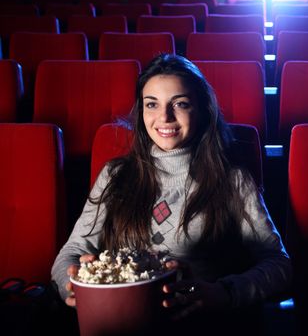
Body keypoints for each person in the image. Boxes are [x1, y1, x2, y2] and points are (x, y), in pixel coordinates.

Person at [51, 53, 292, 334]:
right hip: (122, 323)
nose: (164, 117)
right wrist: (73, 285)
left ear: (202, 110)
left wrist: (224, 293)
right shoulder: (115, 175)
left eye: (180, 104)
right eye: (152, 104)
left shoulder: (232, 180)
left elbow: (279, 265)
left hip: (203, 324)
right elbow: (72, 252)